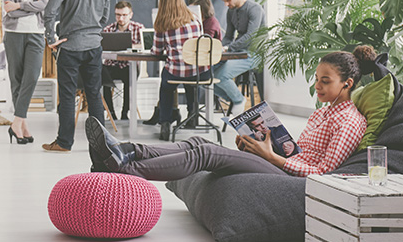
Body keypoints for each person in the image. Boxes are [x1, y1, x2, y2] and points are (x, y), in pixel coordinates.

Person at [87, 46, 375, 180]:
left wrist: (269, 156)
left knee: (207, 155)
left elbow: (324, 171)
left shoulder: (350, 120)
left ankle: (122, 168)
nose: (318, 86)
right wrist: (257, 143)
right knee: (197, 143)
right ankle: (126, 150)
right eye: (316, 79)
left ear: (347, 84)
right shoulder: (322, 113)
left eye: (325, 81)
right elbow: (298, 152)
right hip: (282, 161)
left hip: (292, 177)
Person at [42, 0, 111, 153]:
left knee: (68, 95)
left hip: (70, 47)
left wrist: (51, 37)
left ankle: (64, 142)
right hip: (93, 46)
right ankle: (102, 145)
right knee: (94, 94)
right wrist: (92, 32)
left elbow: (49, 12)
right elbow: (105, 17)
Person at [2, 0, 49, 144]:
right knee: (17, 79)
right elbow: (8, 10)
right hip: (14, 33)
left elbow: (44, 4)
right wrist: (33, 6)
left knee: (31, 76)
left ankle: (16, 122)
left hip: (36, 33)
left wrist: (20, 5)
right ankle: (23, 125)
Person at [151, 0, 208, 141]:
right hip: (200, 72)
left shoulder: (162, 24)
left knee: (166, 87)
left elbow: (156, 51)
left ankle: (165, 122)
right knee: (190, 79)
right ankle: (192, 114)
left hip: (175, 72)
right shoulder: (195, 19)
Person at [212, 0, 266, 111]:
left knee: (221, 76)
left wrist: (228, 48)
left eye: (228, 0)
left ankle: (238, 100)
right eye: (224, 1)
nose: (226, 4)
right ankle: (233, 99)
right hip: (238, 52)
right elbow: (229, 36)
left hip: (254, 53)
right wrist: (220, 48)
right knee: (204, 76)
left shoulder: (255, 9)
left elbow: (250, 37)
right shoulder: (231, 11)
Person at [101, 0, 144, 121]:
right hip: (111, 65)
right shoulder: (108, 29)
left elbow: (145, 46)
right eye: (118, 15)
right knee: (103, 76)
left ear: (130, 14)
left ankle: (125, 113)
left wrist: (131, 47)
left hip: (129, 65)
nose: (121, 18)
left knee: (129, 79)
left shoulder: (139, 28)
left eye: (124, 15)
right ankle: (111, 113)